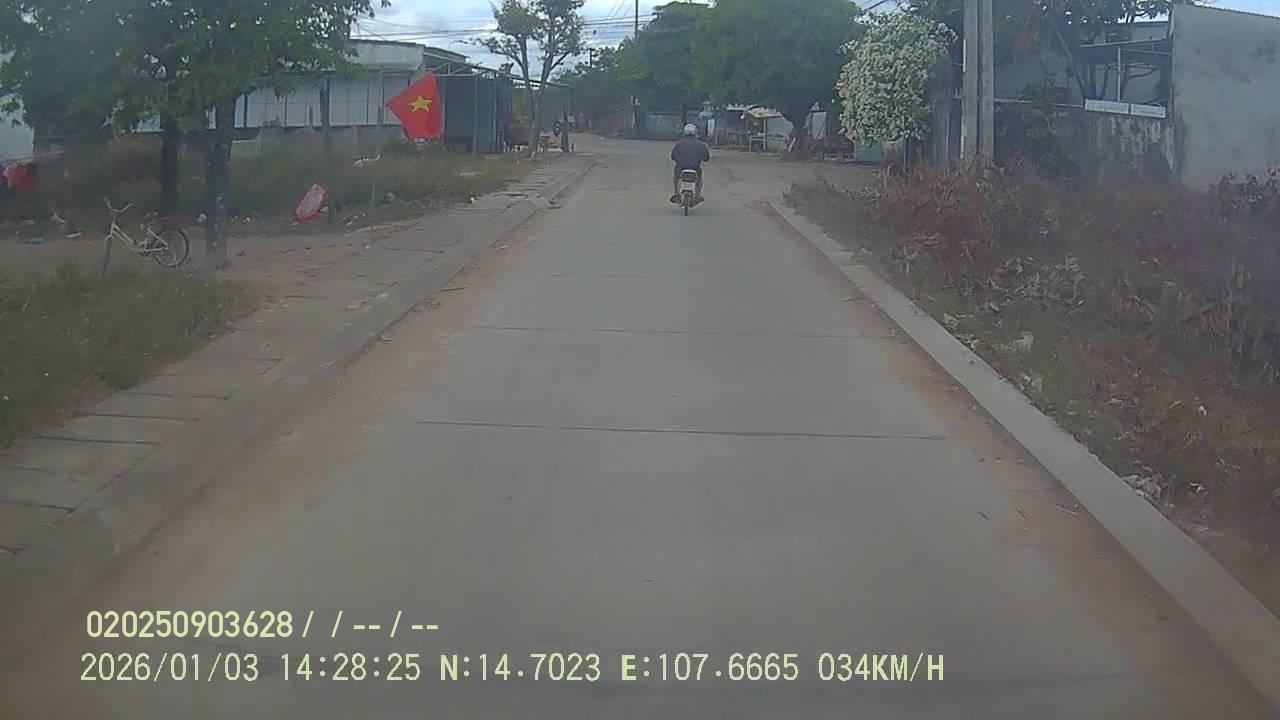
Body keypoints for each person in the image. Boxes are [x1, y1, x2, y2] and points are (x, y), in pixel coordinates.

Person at [670, 123, 710, 204]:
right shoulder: (701, 144)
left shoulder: (679, 144)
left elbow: (673, 156)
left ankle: (676, 194)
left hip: (681, 168)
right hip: (695, 168)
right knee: (699, 180)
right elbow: (706, 158)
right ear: (695, 132)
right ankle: (697, 195)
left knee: (676, 178)